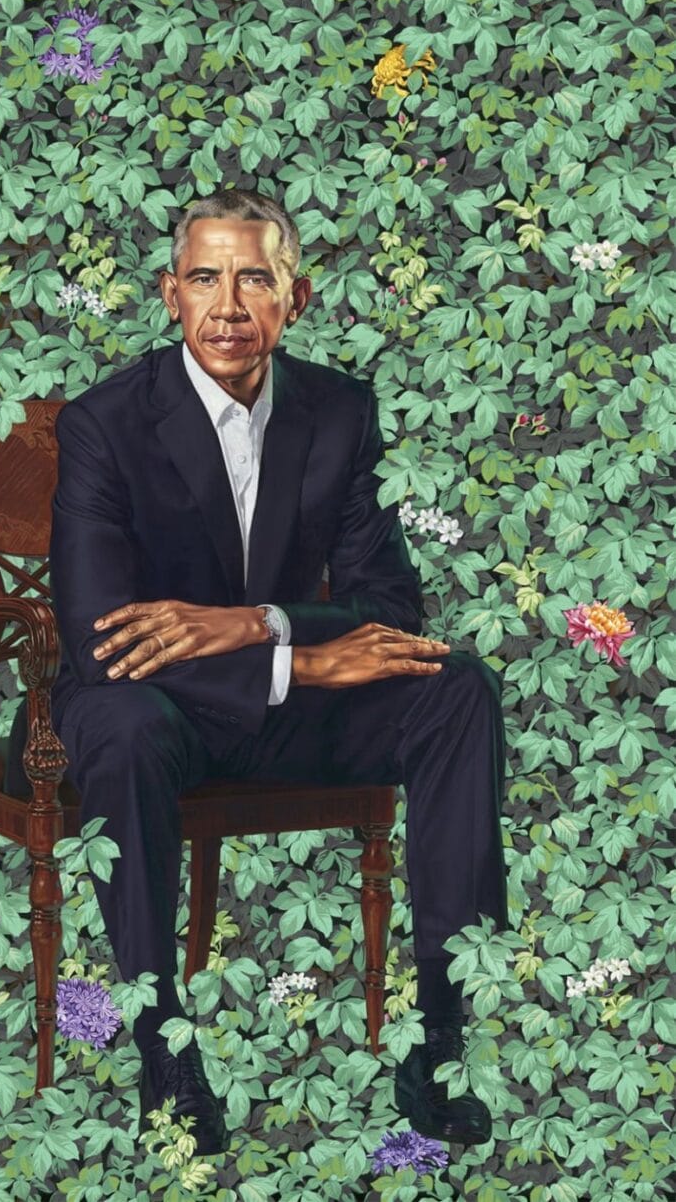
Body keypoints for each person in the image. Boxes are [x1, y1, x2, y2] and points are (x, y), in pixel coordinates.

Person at [35, 187, 509, 1155]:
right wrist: (296, 661)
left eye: (255, 277)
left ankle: (439, 1035)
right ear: (169, 294)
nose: (228, 305)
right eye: (204, 278)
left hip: (286, 700)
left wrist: (256, 624)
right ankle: (165, 1049)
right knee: (121, 723)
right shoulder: (104, 423)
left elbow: (387, 607)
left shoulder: (340, 410)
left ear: (296, 296)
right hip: (155, 713)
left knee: (454, 683)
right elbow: (103, 642)